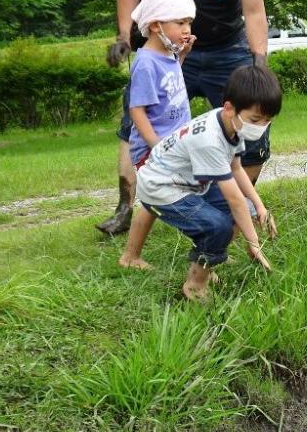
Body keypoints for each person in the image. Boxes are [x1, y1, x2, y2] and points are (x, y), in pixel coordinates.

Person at [97, 0, 269, 236]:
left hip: (226, 48)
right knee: (135, 127)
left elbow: (254, 10)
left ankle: (229, 210)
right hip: (167, 52)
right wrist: (126, 35)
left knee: (252, 131)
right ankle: (127, 207)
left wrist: (259, 61)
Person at [120, 65, 281, 300]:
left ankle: (206, 262)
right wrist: (253, 242)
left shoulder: (232, 124)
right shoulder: (210, 140)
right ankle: (195, 285)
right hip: (162, 187)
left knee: (243, 211)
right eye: (255, 119)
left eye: (266, 121)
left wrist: (259, 206)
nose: (259, 127)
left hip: (187, 181)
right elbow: (234, 199)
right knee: (217, 227)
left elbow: (235, 167)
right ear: (229, 108)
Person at [115, 0, 196, 269]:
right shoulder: (146, 62)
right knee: (185, 196)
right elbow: (137, 110)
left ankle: (130, 255)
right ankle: (205, 253)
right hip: (155, 148)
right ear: (156, 25)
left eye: (189, 22)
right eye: (180, 22)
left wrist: (182, 56)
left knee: (151, 202)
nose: (187, 29)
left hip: (172, 143)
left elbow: (169, 86)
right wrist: (156, 146)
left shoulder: (167, 55)